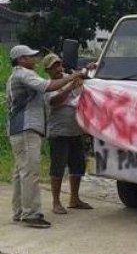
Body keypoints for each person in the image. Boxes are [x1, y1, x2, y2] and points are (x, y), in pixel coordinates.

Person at [6, 45, 84, 228]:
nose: (34, 60)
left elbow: (48, 89)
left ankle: (19, 211)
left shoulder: (19, 75)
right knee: (30, 172)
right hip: (26, 129)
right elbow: (47, 87)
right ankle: (31, 214)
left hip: (20, 130)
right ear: (21, 60)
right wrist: (74, 75)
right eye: (30, 57)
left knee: (20, 172)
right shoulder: (23, 74)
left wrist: (70, 82)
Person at [43, 53, 94, 214]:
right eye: (54, 66)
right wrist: (70, 87)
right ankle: (56, 202)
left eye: (59, 64)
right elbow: (53, 101)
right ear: (47, 70)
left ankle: (74, 198)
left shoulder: (69, 77)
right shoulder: (47, 85)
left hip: (76, 131)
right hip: (59, 132)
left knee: (78, 165)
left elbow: (84, 87)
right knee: (58, 167)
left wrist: (89, 71)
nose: (58, 68)